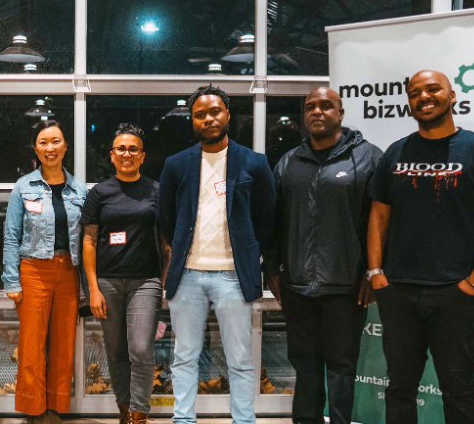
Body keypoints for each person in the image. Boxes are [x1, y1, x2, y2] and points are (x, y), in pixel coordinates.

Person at [157, 85, 275, 424]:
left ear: (227, 115)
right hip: (188, 275)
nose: (208, 118)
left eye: (215, 112)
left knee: (240, 358)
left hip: (234, 277)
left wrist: (254, 257)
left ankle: (244, 420)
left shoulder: (253, 162)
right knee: (184, 356)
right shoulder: (176, 165)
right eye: (200, 114)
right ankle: (183, 420)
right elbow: (167, 219)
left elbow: (266, 219)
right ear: (192, 121)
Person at [266, 87, 382, 424]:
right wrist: (272, 268)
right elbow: (275, 222)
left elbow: (381, 221)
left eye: (326, 106)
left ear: (341, 113)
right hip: (298, 286)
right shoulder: (289, 163)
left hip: (346, 288)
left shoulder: (368, 158)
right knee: (305, 365)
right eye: (310, 107)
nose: (317, 112)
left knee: (342, 369)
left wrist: (372, 271)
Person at [367, 70, 474, 424]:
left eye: (433, 89)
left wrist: (471, 281)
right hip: (399, 291)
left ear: (453, 95)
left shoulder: (472, 148)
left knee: (460, 389)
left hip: (455, 293)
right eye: (415, 93)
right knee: (400, 388)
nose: (424, 97)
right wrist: (376, 273)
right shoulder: (397, 152)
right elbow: (379, 217)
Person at [81, 123, 168, 424]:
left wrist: (163, 283)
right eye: (121, 148)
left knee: (141, 349)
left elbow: (165, 243)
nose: (127, 153)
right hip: (107, 282)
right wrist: (92, 288)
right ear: (112, 155)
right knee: (116, 350)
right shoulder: (100, 193)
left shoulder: (157, 191)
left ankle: (139, 414)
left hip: (146, 280)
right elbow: (89, 241)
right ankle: (124, 408)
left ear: (142, 156)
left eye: (133, 149)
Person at [3, 119, 88, 424]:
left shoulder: (79, 188)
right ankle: (33, 408)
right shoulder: (24, 187)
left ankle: (56, 406)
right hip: (33, 271)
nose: (50, 148)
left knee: (64, 343)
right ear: (35, 149)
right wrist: (11, 279)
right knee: (32, 345)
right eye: (43, 142)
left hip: (68, 271)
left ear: (66, 147)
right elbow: (11, 236)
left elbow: (88, 238)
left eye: (55, 142)